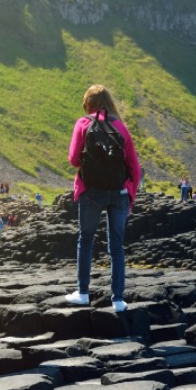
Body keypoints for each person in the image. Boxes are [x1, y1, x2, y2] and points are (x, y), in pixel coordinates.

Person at [63, 84, 142, 311]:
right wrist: (131, 197)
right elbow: (135, 167)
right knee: (116, 246)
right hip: (119, 194)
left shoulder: (83, 123)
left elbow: (73, 160)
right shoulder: (120, 127)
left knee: (85, 240)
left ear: (88, 103)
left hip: (91, 192)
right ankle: (118, 299)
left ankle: (83, 293)